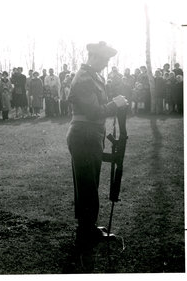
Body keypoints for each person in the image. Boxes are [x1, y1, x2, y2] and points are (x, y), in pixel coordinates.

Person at [66, 42, 128, 260]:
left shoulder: (94, 77)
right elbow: (94, 111)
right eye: (104, 60)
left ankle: (89, 228)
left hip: (92, 135)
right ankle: (84, 234)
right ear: (93, 57)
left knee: (90, 183)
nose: (106, 64)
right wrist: (115, 104)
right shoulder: (84, 78)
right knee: (86, 185)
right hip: (84, 135)